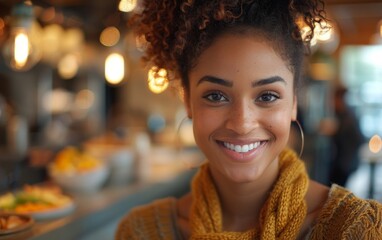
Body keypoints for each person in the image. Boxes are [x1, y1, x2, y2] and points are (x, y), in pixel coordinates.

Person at [116, 0, 382, 239]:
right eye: (216, 96)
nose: (242, 124)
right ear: (188, 102)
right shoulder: (141, 231)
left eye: (267, 96)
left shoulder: (357, 229)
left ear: (293, 103)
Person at [329, 86, 364, 187]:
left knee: (336, 191)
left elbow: (359, 139)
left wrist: (336, 132)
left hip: (345, 163)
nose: (332, 102)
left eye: (334, 99)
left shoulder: (349, 117)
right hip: (343, 162)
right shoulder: (343, 115)